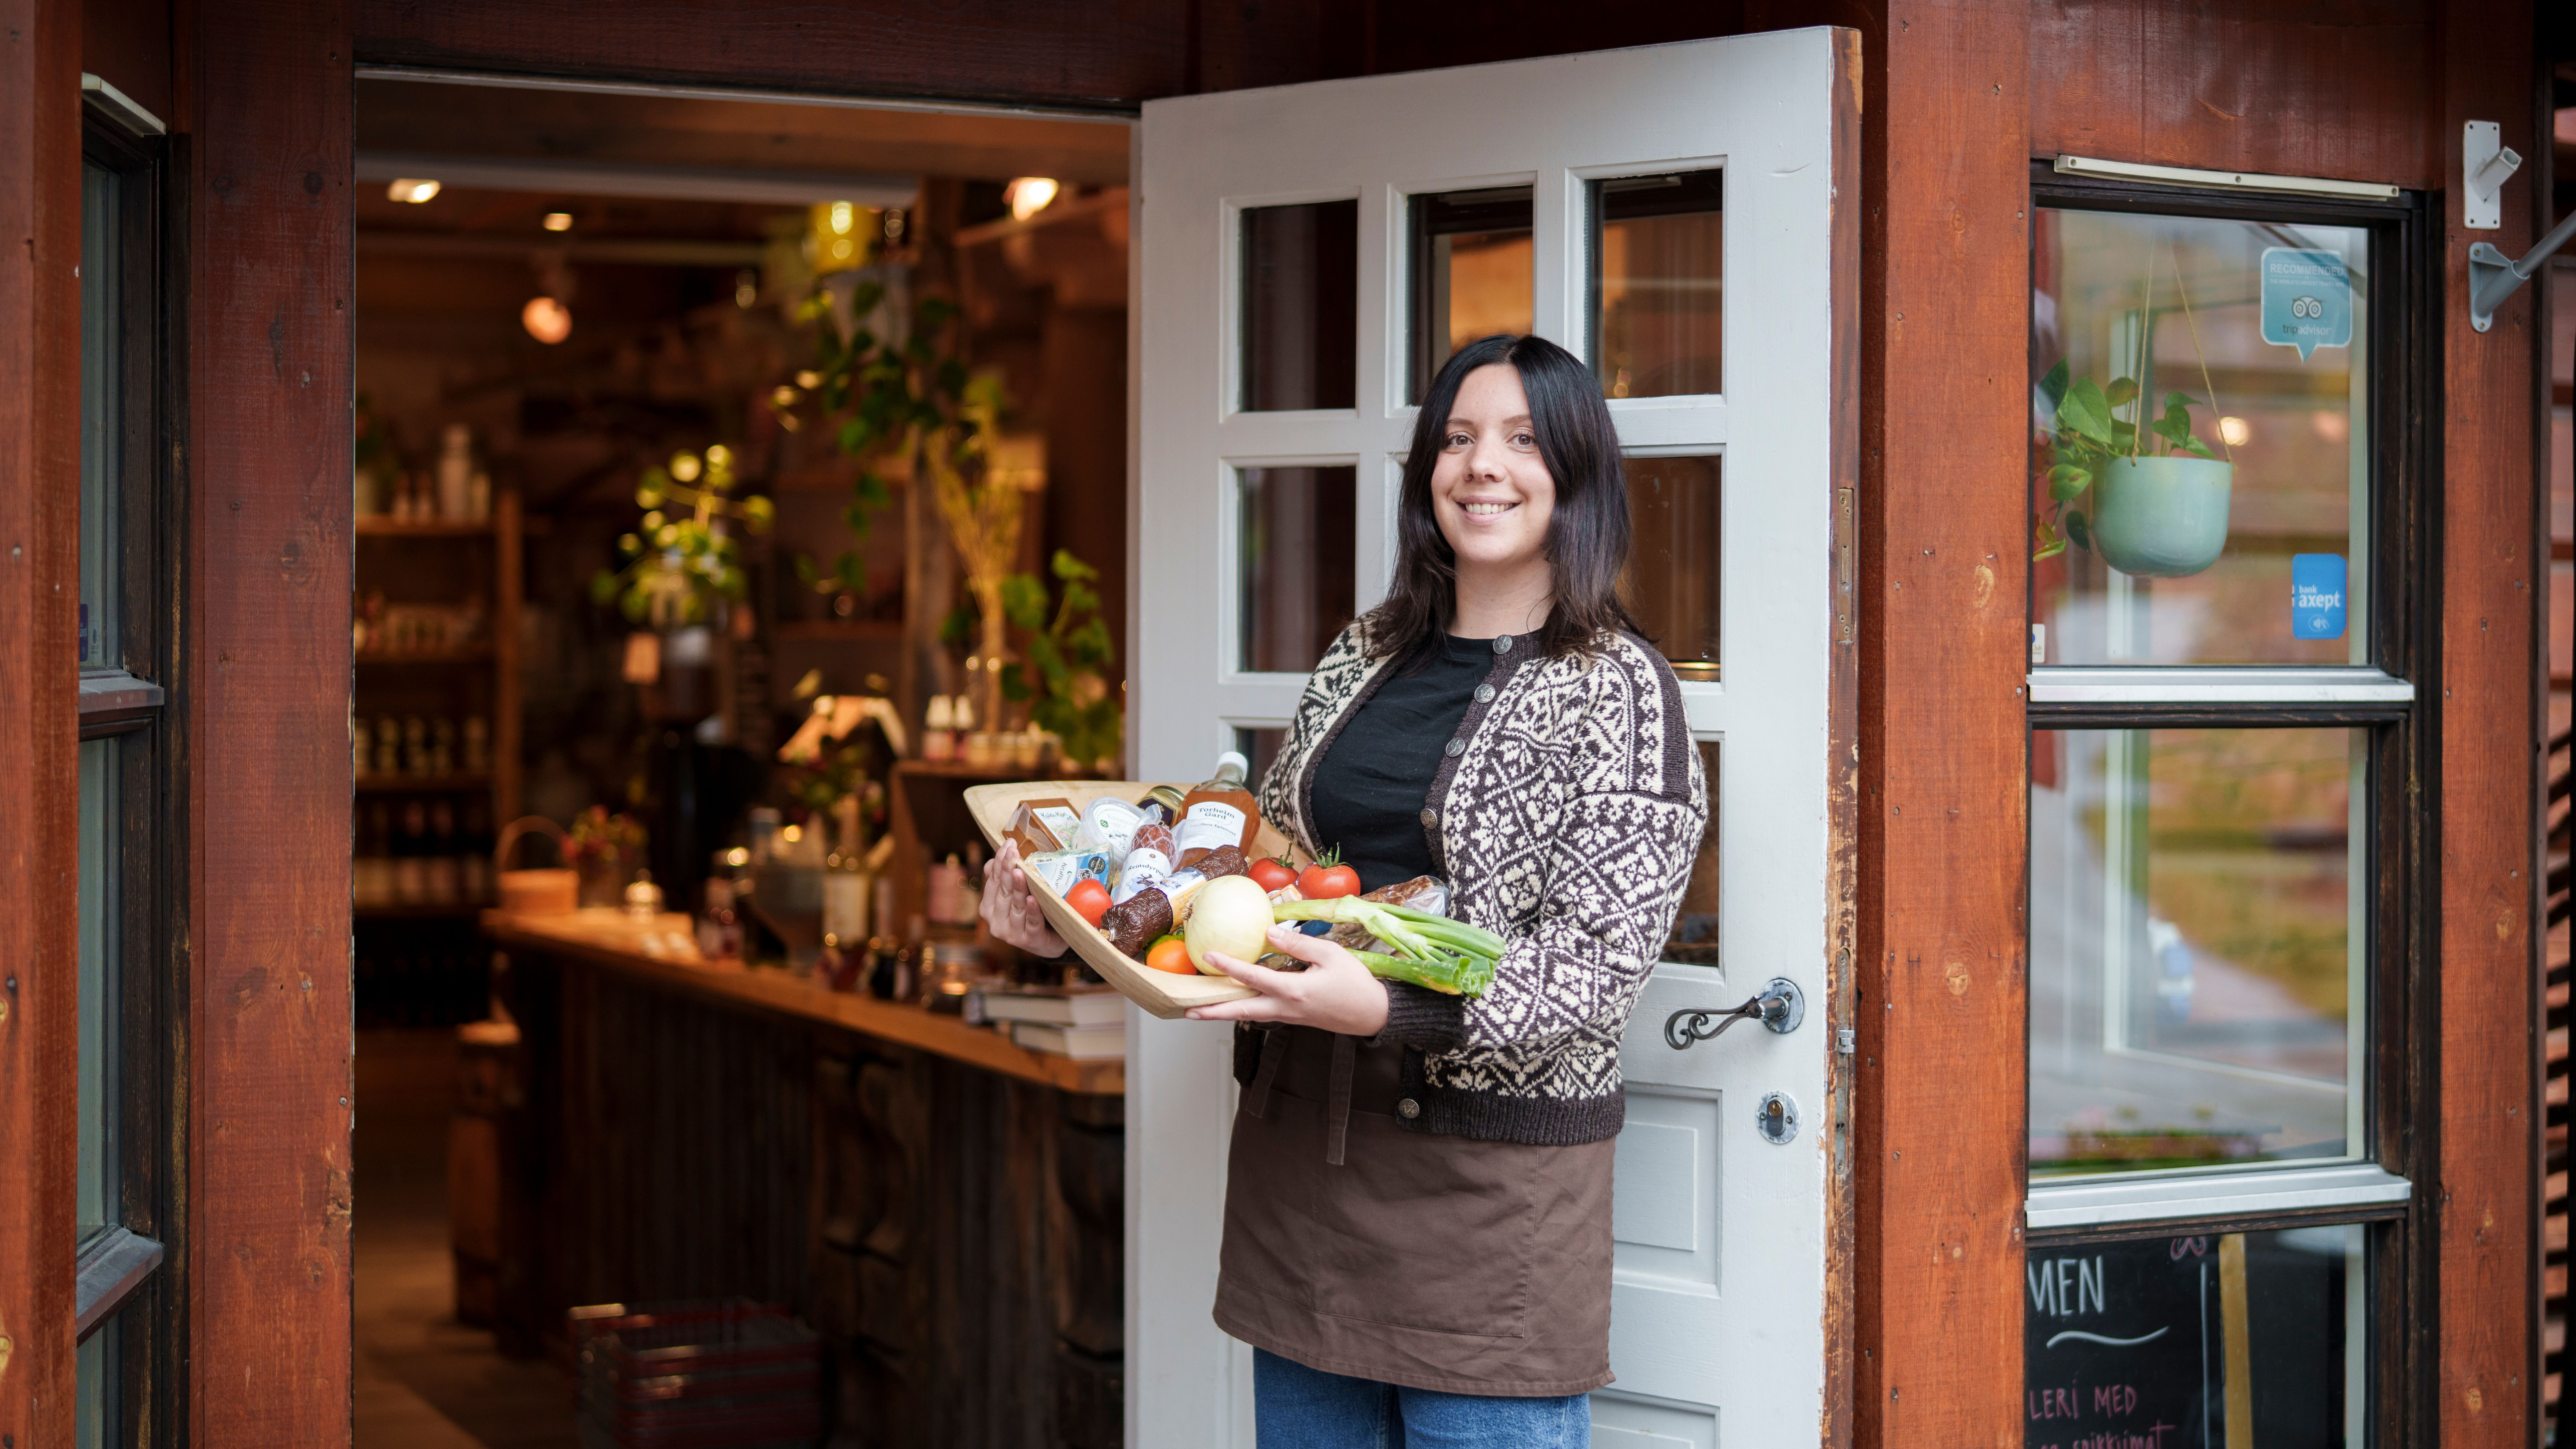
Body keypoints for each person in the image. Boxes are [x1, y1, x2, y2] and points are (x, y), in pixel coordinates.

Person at [981, 333, 1707, 1446]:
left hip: (1488, 1195)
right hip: (1308, 1172)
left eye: (1521, 440)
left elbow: (1597, 970)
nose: (1483, 467)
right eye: (1458, 438)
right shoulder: (1365, 652)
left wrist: (1390, 1007)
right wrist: (1068, 919)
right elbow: (1253, 873)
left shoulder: (1622, 692)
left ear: (1576, 473)